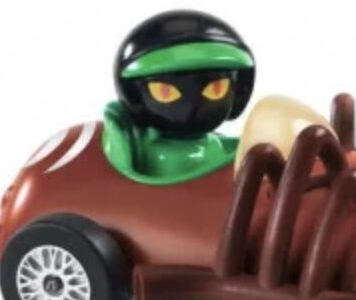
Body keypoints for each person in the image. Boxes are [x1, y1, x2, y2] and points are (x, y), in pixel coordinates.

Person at [102, 10, 255, 184]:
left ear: (239, 91)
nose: (193, 107)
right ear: (134, 97)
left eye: (217, 89)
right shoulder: (161, 155)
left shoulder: (216, 145)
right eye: (165, 92)